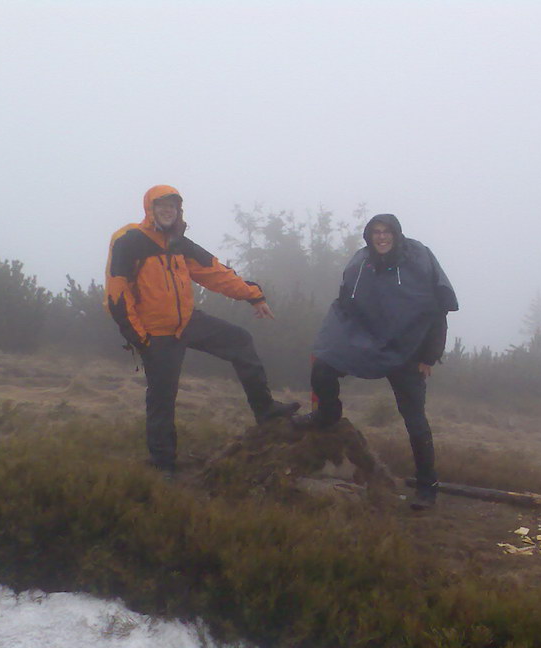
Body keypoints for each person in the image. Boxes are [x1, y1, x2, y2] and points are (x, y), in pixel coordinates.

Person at [106, 185, 299, 476]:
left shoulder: (179, 242)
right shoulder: (129, 240)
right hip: (156, 333)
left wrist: (252, 295)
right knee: (162, 398)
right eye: (162, 205)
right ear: (150, 208)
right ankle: (163, 464)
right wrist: (139, 337)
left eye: (173, 206)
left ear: (178, 210)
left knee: (240, 341)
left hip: (187, 322)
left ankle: (266, 409)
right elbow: (117, 295)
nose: (168, 210)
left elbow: (215, 273)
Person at [293, 213, 458, 510]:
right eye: (375, 232)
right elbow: (344, 305)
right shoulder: (360, 264)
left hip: (407, 350)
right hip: (368, 343)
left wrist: (429, 356)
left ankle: (427, 486)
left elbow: (438, 309)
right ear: (368, 236)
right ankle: (327, 415)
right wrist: (335, 342)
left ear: (396, 234)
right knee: (323, 367)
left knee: (415, 421)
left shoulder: (419, 261)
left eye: (386, 232)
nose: (381, 237)